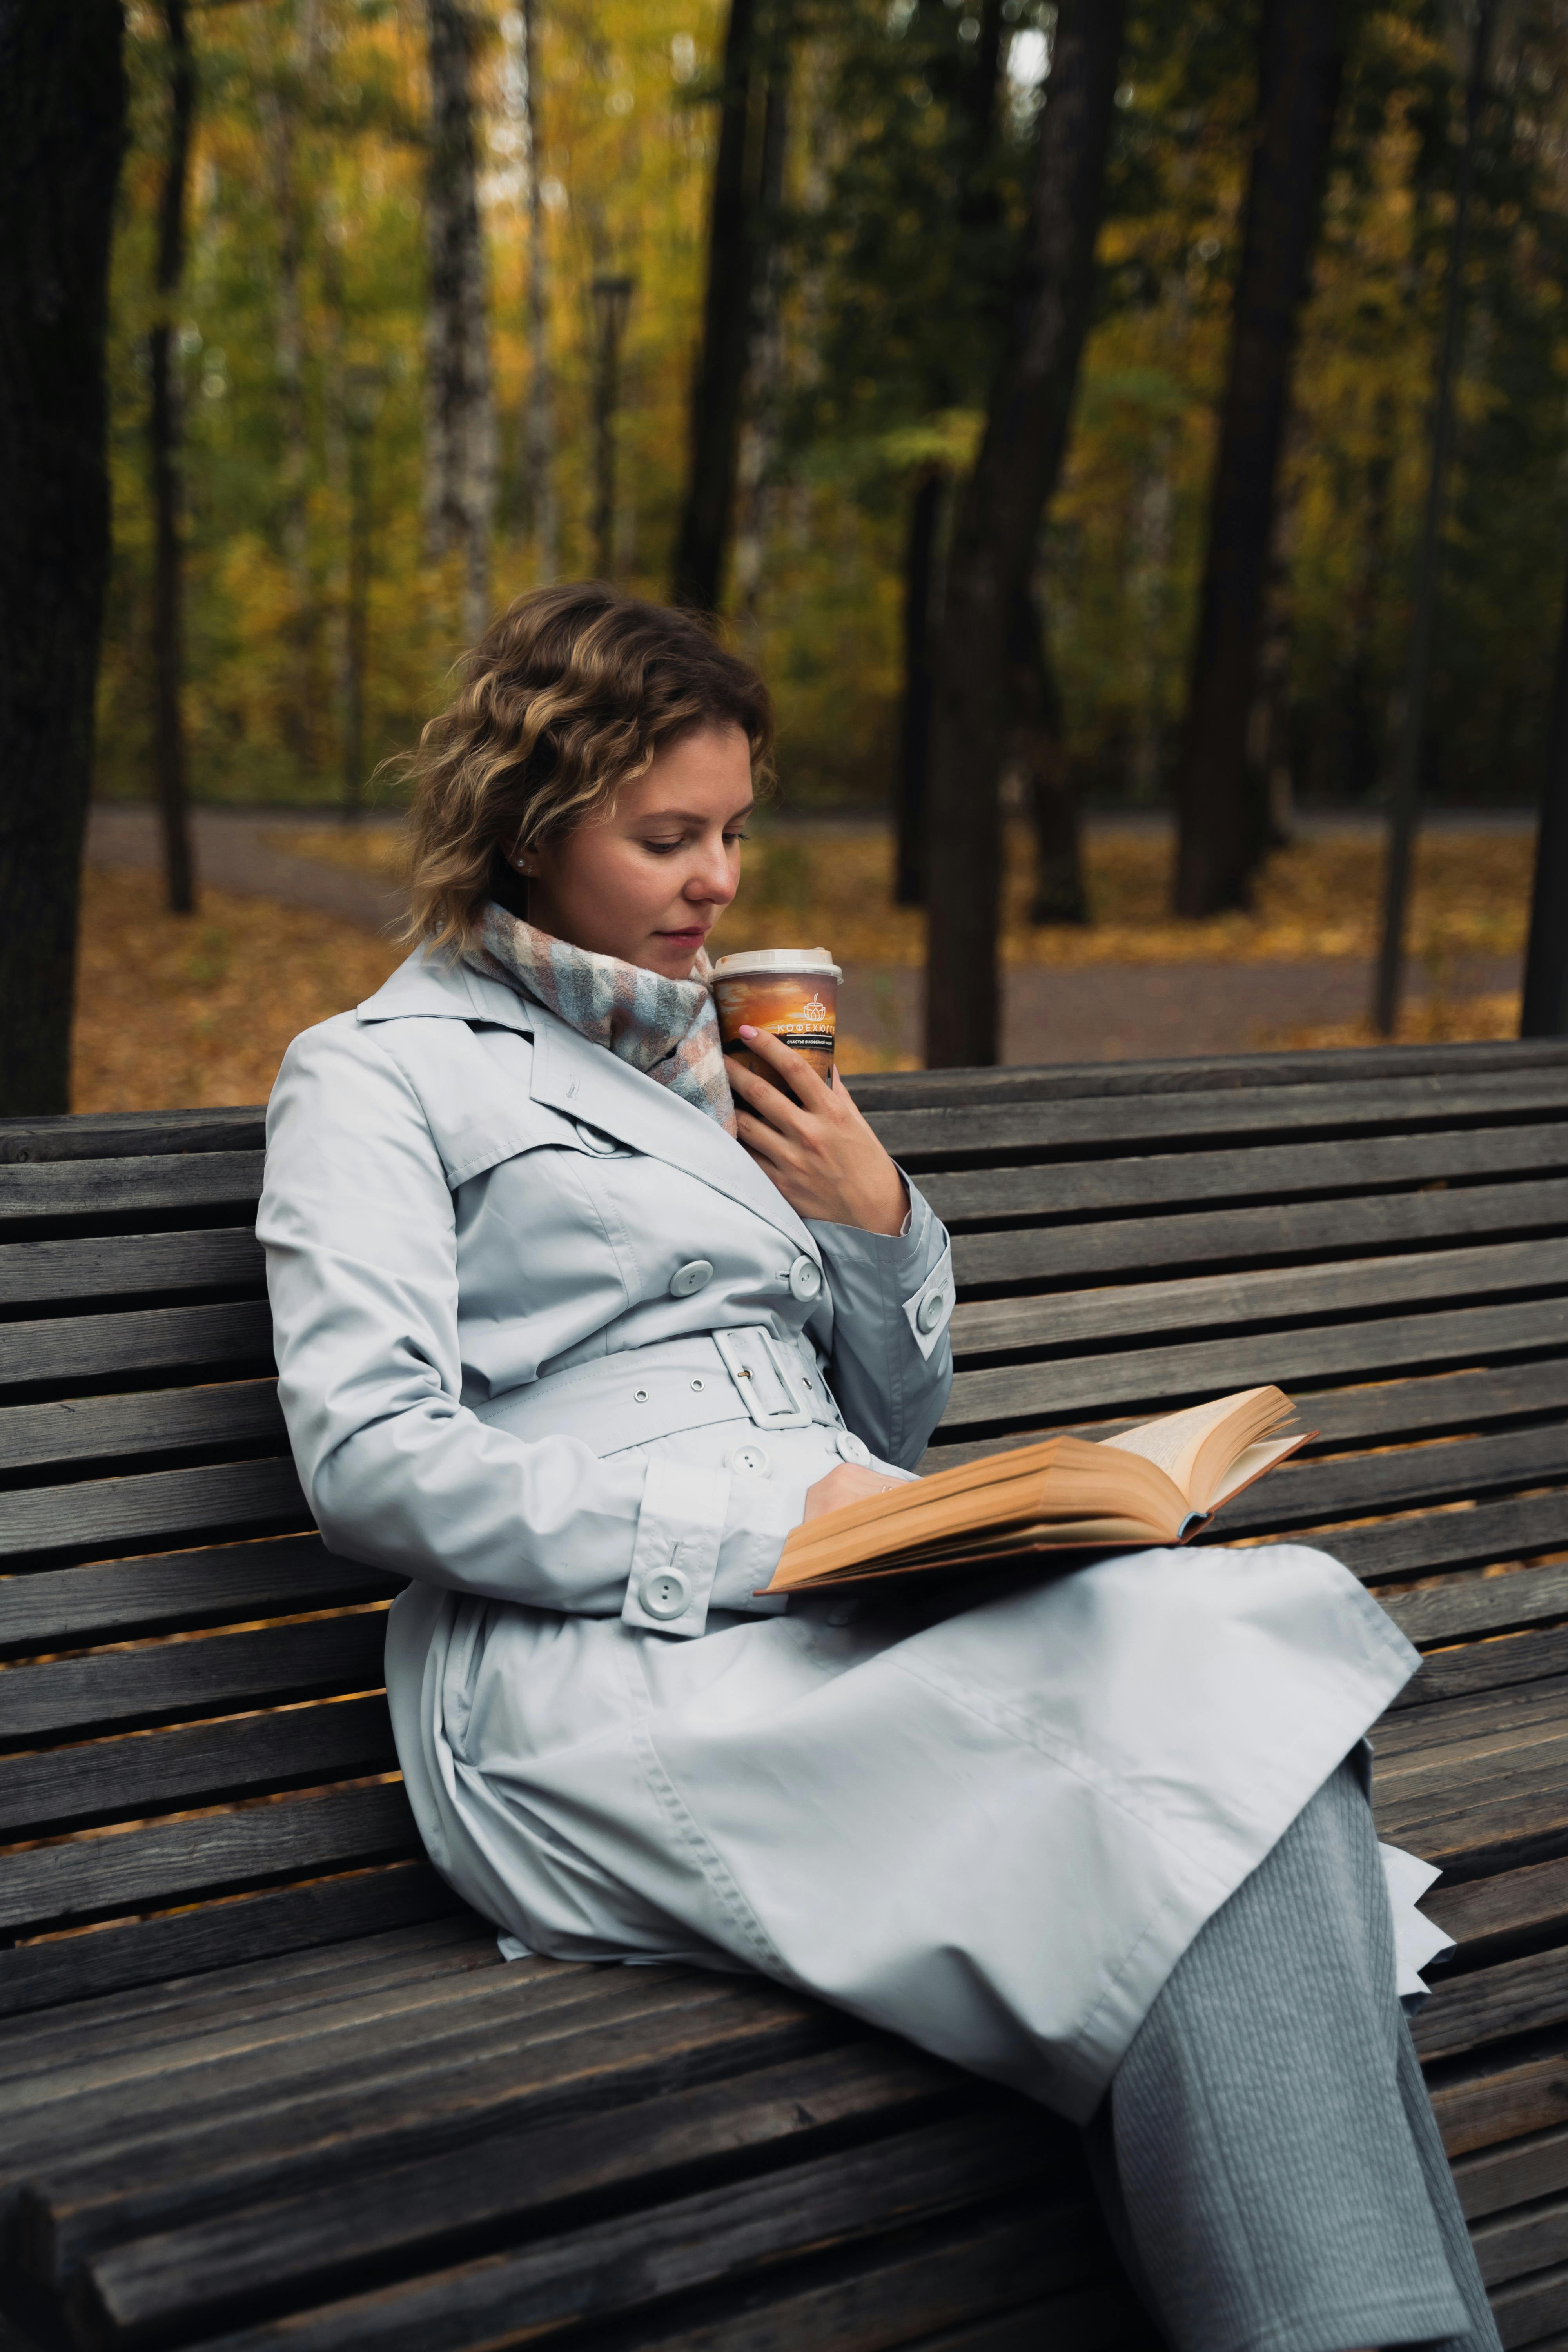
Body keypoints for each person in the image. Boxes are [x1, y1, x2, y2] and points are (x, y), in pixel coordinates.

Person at [260, 583, 1500, 2352]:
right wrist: (741, 1550)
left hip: (836, 1581)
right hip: (596, 1660)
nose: (718, 885)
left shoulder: (722, 1069)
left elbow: (883, 1432)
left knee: (1227, 1645)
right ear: (528, 828)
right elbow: (369, 1465)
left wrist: (877, 1220)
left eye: (736, 832)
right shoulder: (378, 1076)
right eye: (665, 836)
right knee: (1219, 1781)